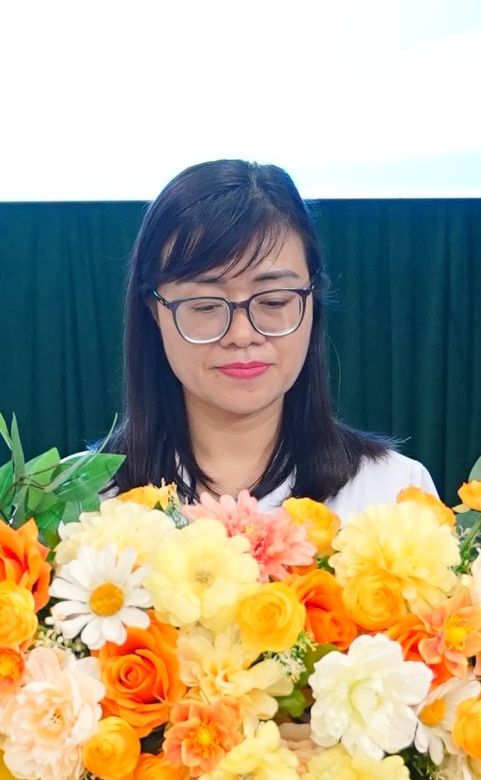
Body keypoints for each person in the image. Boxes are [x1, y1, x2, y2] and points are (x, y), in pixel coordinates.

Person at [117, 157, 436, 516]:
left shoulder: (395, 494)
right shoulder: (86, 503)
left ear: (313, 299)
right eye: (205, 306)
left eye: (273, 301)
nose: (242, 335)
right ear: (154, 310)